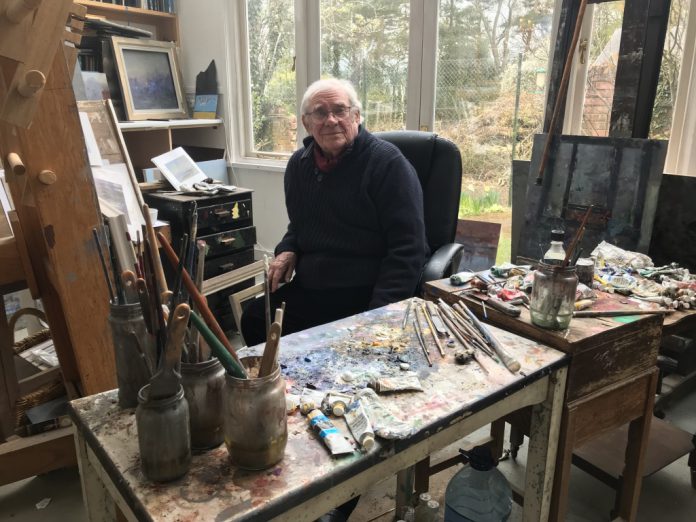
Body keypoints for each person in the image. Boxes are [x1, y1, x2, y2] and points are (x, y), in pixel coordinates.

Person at [241, 77, 428, 347]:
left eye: (340, 110)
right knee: (255, 320)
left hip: (366, 288)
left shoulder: (388, 164)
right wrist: (288, 248)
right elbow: (302, 224)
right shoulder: (299, 165)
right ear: (307, 123)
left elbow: (408, 249)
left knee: (349, 351)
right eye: (320, 112)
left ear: (357, 116)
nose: (331, 120)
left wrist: (380, 315)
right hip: (314, 286)